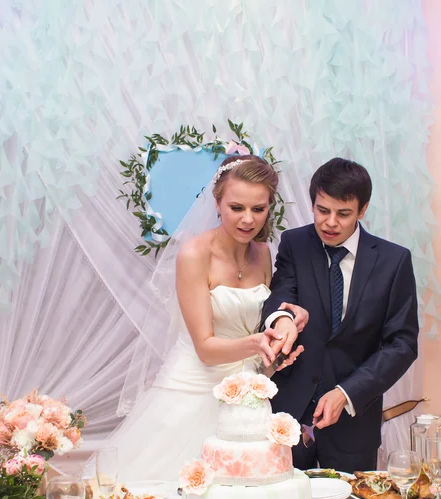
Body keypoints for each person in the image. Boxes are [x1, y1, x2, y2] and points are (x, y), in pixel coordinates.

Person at [110, 155, 304, 482]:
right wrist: (258, 343)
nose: (248, 219)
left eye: (258, 209)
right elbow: (206, 348)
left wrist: (276, 354)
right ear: (217, 203)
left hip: (246, 395)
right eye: (236, 208)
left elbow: (256, 328)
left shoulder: (264, 253)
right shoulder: (194, 254)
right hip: (193, 387)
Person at [261, 157, 419, 473]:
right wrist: (283, 320)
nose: (330, 222)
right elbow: (281, 294)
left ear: (362, 210)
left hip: (354, 422)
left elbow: (402, 344)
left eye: (343, 214)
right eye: (322, 210)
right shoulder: (295, 244)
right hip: (288, 414)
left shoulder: (393, 260)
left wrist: (347, 393)